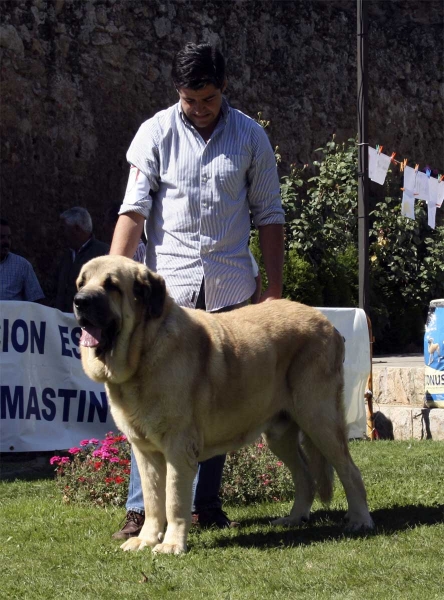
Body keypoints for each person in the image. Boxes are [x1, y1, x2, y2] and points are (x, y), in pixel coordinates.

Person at [109, 42, 285, 539]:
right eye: (189, 100)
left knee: (213, 399)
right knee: (146, 403)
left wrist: (273, 290)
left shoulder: (251, 136)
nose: (199, 109)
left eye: (206, 99)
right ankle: (142, 512)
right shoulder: (155, 133)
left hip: (231, 289)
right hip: (166, 299)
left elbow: (270, 215)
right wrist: (113, 282)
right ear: (177, 93)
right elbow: (133, 211)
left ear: (223, 88)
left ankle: (205, 506)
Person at [55, 207, 109, 312]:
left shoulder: (103, 253)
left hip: (87, 322)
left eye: (64, 228)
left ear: (77, 229)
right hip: (62, 322)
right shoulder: (66, 255)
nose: (60, 233)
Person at [0, 218, 45, 302]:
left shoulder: (22, 265)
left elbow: (36, 301)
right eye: (1, 237)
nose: (6, 242)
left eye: (9, 237)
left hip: (13, 315)